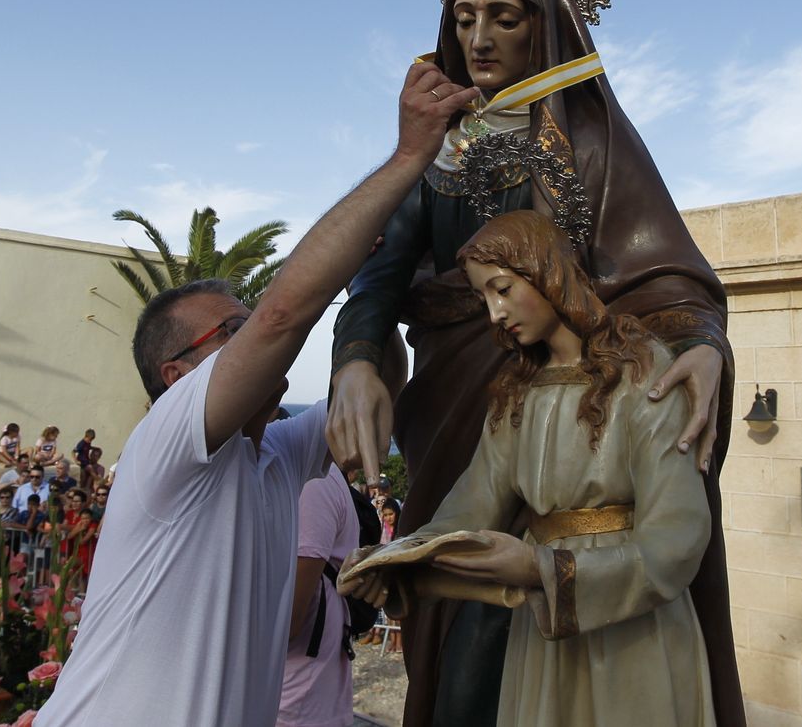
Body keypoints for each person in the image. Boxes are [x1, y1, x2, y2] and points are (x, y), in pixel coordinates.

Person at [326, 0, 740, 727]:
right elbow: (379, 273)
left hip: (586, 414)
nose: (480, 37)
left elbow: (663, 273)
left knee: (517, 645)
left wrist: (702, 346)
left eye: (504, 18)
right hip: (465, 402)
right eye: (465, 18)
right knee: (457, 641)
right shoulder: (440, 150)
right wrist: (356, 359)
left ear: (540, 27)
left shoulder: (586, 141)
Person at [38, 62, 479, 727]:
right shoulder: (169, 445)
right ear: (178, 377)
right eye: (231, 330)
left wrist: (376, 283)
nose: (256, 338)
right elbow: (284, 315)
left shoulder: (275, 455)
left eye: (247, 324)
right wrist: (411, 155)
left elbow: (381, 382)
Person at [344, 211, 715, 726]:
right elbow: (469, 508)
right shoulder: (516, 391)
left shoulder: (642, 370)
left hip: (630, 623)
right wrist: (397, 563)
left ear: (547, 272)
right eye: (484, 299)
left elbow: (678, 537)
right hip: (546, 627)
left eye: (502, 289)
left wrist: (542, 569)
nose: (495, 314)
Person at [277, 470, 360, 727]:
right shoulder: (301, 472)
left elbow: (288, 620)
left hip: (296, 704)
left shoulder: (315, 482)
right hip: (297, 695)